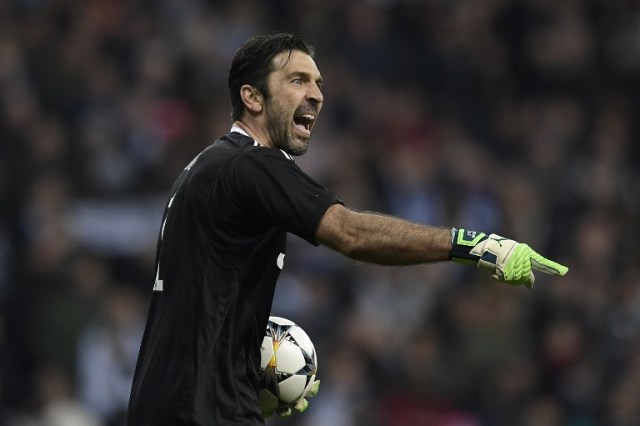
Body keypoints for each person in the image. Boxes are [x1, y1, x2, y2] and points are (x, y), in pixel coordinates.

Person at [127, 33, 568, 426]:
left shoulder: (205, 169)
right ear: (253, 97)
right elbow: (350, 233)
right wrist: (473, 244)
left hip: (169, 404)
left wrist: (249, 365)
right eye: (298, 81)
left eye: (319, 83)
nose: (316, 95)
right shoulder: (250, 162)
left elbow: (203, 301)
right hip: (206, 412)